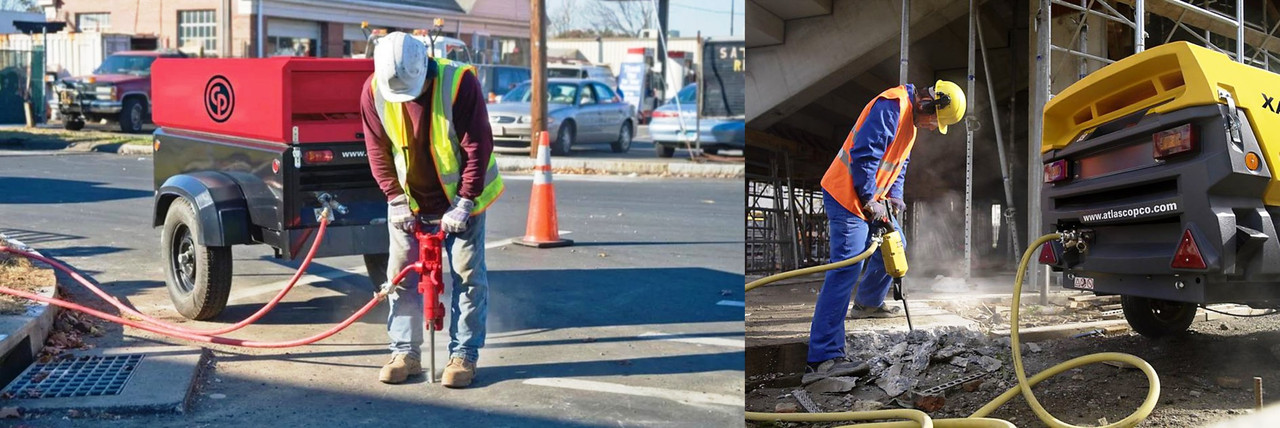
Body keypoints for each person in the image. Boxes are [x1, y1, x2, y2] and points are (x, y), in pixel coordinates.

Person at [360, 32, 505, 388]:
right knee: (400, 274)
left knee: (467, 274)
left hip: (460, 199)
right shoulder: (375, 89)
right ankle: (404, 352)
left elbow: (477, 145)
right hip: (409, 198)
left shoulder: (459, 83)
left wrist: (466, 201)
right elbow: (377, 149)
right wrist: (394, 198)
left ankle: (463, 355)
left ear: (425, 66)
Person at [804, 81, 966, 382]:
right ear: (929, 105)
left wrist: (894, 195)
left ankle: (867, 304)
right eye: (935, 121)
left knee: (895, 245)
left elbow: (899, 163)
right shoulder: (890, 106)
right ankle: (822, 360)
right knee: (846, 269)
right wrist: (868, 199)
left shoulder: (911, 124)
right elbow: (864, 155)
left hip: (870, 199)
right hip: (846, 196)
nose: (932, 128)